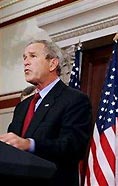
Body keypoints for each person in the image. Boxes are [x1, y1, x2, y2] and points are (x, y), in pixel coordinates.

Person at [0, 40, 92, 186]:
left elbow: (72, 146)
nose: (26, 62)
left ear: (52, 63)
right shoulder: (22, 107)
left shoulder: (74, 99)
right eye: (24, 57)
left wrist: (30, 144)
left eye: (32, 56)